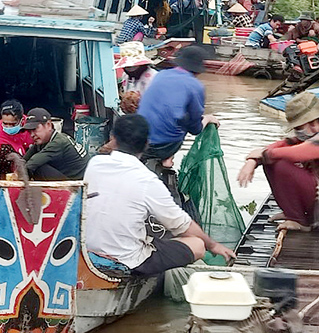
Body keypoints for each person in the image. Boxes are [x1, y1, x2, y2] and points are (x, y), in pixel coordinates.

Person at [84, 115, 236, 275]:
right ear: (146, 143)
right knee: (197, 243)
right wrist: (212, 245)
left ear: (112, 138)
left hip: (88, 250)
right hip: (128, 259)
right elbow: (181, 224)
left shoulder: (94, 163)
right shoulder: (147, 180)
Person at [237, 91, 319, 232]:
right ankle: (293, 213)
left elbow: (292, 154)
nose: (297, 132)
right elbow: (284, 143)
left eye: (298, 127)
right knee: (273, 160)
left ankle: (301, 221)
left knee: (280, 164)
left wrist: (263, 154)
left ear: (313, 123)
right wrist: (253, 160)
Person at [137, 46, 218, 166]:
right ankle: (167, 158)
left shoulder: (161, 75)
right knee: (182, 120)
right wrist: (208, 119)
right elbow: (195, 126)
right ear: (198, 70)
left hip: (138, 137)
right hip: (161, 146)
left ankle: (166, 158)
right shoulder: (195, 86)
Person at [21, 107, 88, 180]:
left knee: (38, 167)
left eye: (34, 129)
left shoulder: (58, 142)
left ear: (48, 125)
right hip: (67, 177)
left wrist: (16, 176)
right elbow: (23, 161)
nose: (32, 135)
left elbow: (31, 164)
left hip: (78, 183)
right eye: (29, 131)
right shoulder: (42, 142)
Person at [0, 99, 34, 177]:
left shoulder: (32, 126)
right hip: (11, 172)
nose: (8, 127)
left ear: (21, 120)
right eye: (5, 124)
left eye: (13, 124)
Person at [114, 41, 157, 114]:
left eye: (132, 67)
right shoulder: (126, 76)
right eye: (127, 67)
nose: (129, 70)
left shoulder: (153, 78)